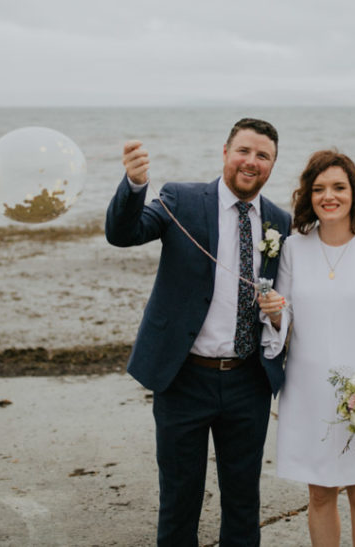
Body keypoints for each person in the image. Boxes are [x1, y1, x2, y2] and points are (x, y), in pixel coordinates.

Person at [105, 118, 292, 547]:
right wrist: (134, 185)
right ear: (225, 152)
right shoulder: (181, 199)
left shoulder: (279, 221)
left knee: (244, 500)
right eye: (244, 151)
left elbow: (288, 293)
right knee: (179, 497)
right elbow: (123, 234)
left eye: (263, 156)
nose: (252, 161)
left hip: (249, 380)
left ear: (273, 165)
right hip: (184, 377)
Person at [259, 149, 355, 547]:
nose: (330, 196)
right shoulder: (293, 247)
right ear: (308, 195)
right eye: (319, 188)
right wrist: (274, 314)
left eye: (339, 187)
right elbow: (283, 321)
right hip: (308, 390)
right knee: (319, 493)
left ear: (353, 192)